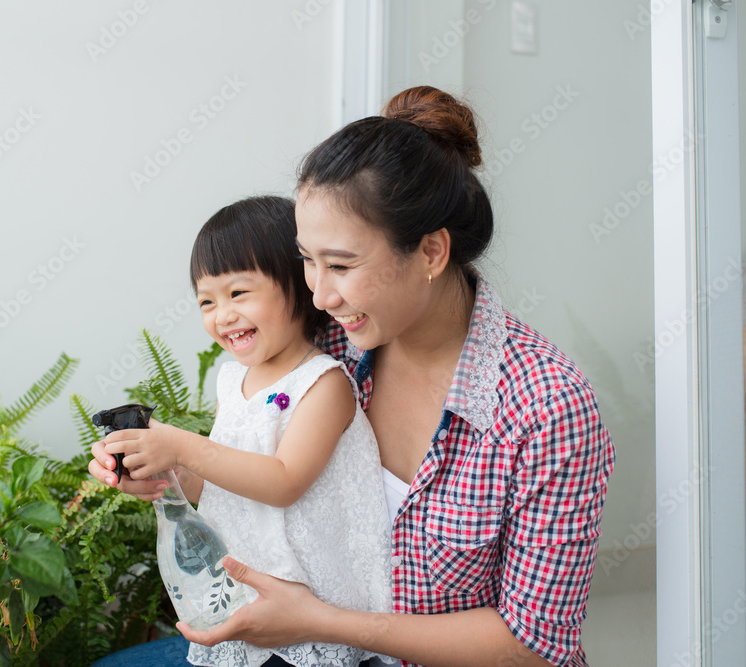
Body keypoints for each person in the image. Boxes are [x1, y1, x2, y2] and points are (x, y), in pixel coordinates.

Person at [91, 86, 615, 667]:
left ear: (432, 253)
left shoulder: (545, 407)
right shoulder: (325, 344)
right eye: (306, 260)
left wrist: (319, 622)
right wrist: (164, 469)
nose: (317, 292)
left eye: (340, 265)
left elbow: (533, 647)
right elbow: (253, 473)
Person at [92, 196, 393, 667]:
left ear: (298, 285)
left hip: (309, 607)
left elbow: (282, 481)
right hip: (246, 599)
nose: (222, 315)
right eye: (206, 301)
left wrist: (184, 445)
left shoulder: (325, 383)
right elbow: (218, 483)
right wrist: (161, 471)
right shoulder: (233, 380)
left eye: (238, 293)